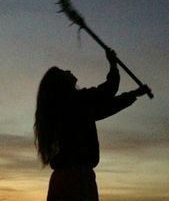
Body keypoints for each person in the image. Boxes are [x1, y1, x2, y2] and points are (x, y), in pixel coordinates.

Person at [34, 49, 149, 201]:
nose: (68, 70)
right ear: (60, 84)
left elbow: (105, 107)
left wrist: (133, 94)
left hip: (60, 180)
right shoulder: (76, 101)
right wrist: (112, 64)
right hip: (78, 178)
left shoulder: (68, 108)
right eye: (63, 72)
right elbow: (108, 90)